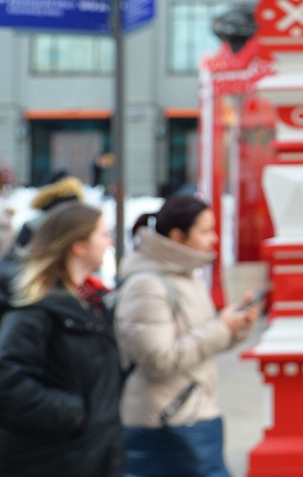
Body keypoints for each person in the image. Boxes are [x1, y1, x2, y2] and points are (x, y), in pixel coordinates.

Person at [114, 195, 260, 477]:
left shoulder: (185, 275)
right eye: (205, 231)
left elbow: (198, 339)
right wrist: (221, 328)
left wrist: (235, 325)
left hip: (191, 414)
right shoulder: (147, 283)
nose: (214, 238)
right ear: (177, 236)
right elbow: (159, 359)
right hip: (166, 422)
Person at [0, 202, 124, 476]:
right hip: (54, 460)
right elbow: (7, 380)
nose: (109, 242)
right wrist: (73, 413)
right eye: (103, 234)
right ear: (78, 246)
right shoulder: (37, 309)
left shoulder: (90, 302)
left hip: (92, 456)